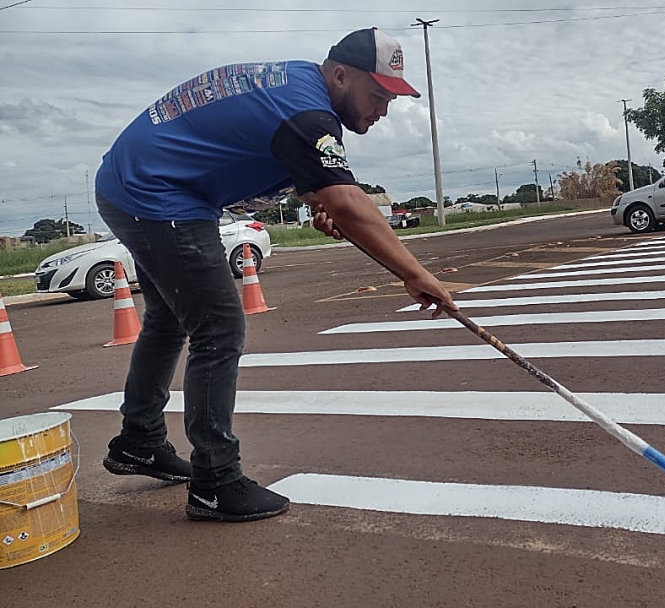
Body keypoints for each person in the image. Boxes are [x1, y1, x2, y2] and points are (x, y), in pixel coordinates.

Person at [94, 28, 457, 522]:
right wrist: (415, 274)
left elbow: (302, 176)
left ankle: (138, 440)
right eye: (377, 95)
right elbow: (347, 201)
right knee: (219, 327)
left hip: (134, 180)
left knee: (169, 319)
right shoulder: (307, 114)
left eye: (390, 99)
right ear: (341, 75)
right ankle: (215, 483)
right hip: (157, 193)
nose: (382, 110)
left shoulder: (298, 91)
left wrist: (317, 198)